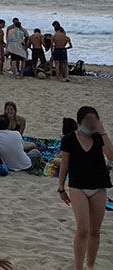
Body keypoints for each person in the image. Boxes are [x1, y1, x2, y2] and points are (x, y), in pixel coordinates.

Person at [57, 106, 113, 270]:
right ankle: (79, 267)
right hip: (78, 185)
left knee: (95, 230)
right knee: (83, 229)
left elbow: (111, 156)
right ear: (80, 121)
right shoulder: (69, 139)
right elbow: (65, 163)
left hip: (98, 185)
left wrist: (103, 133)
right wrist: (61, 187)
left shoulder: (98, 137)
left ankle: (90, 266)